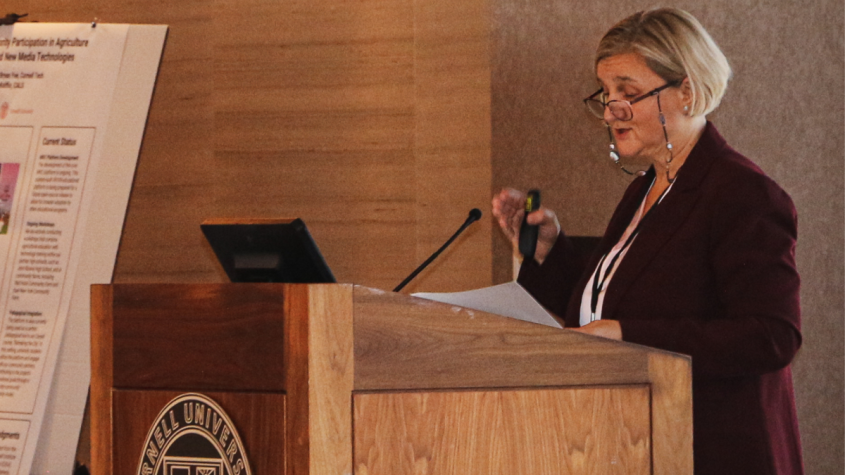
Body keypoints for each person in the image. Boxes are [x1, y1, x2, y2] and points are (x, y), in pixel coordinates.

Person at [492, 8, 802, 475]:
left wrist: (628, 338)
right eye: (606, 92)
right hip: (637, 444)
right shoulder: (645, 188)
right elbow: (610, 310)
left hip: (715, 450)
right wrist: (546, 255)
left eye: (629, 93)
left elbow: (772, 336)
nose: (611, 109)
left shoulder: (742, 193)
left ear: (687, 92)